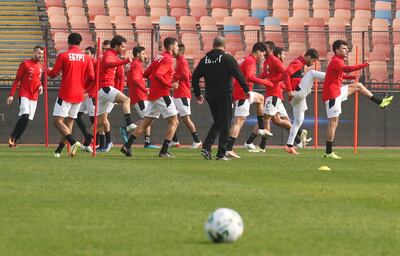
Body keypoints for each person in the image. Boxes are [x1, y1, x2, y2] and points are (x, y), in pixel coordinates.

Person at [323, 40, 393, 159]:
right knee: (333, 123)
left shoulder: (338, 61)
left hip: (337, 92)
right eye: (344, 48)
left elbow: (341, 73)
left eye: (346, 48)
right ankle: (328, 152)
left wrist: (350, 77)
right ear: (337, 50)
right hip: (332, 95)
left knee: (358, 85)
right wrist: (363, 65)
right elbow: (348, 69)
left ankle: (381, 102)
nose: (347, 50)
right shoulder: (336, 61)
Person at [121, 37, 180, 158]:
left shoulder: (159, 57)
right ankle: (164, 151)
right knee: (174, 122)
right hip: (162, 95)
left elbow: (147, 74)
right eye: (177, 46)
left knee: (145, 122)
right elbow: (158, 74)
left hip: (153, 95)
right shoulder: (168, 59)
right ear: (171, 46)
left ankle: (127, 145)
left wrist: (155, 84)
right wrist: (170, 85)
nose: (178, 48)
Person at [192, 36, 249, 161]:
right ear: (224, 46)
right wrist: (246, 89)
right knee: (225, 123)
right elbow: (238, 75)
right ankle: (221, 153)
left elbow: (195, 77)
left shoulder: (205, 59)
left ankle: (206, 147)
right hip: (225, 95)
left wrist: (197, 93)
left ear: (213, 45)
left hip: (211, 96)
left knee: (218, 122)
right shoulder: (227, 58)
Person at [48, 33, 95, 158]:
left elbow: (53, 74)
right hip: (79, 94)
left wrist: (45, 69)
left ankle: (73, 142)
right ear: (80, 43)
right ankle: (58, 151)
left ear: (68, 42)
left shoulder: (64, 55)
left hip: (66, 93)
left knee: (57, 121)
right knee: (69, 122)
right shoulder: (86, 58)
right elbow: (91, 77)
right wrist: (83, 87)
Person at [225, 42, 274, 158]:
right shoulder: (250, 61)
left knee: (261, 99)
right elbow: (249, 77)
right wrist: (266, 82)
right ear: (258, 51)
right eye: (263, 54)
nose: (263, 57)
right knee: (239, 121)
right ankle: (229, 149)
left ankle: (261, 128)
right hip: (243, 93)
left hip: (244, 92)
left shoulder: (247, 60)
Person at [94, 35, 136, 152]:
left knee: (101, 121)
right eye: (122, 46)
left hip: (106, 90)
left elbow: (121, 77)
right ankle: (128, 124)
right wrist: (125, 61)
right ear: (116, 46)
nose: (124, 49)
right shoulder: (109, 55)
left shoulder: (115, 57)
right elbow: (107, 64)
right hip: (106, 88)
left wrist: (119, 92)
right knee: (126, 100)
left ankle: (88, 142)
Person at [284, 49, 326, 154]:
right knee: (311, 73)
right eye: (313, 61)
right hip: (295, 93)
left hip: (296, 97)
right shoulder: (298, 63)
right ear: (309, 57)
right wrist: (289, 90)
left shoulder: (300, 63)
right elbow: (286, 74)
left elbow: (295, 78)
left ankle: (289, 146)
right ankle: (332, 76)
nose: (312, 63)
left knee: (298, 121)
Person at [7, 46, 44, 147]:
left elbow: (38, 80)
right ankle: (12, 136)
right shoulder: (25, 64)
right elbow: (17, 80)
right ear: (33, 53)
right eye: (38, 53)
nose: (40, 55)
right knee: (25, 115)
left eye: (41, 54)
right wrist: (11, 95)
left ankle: (14, 140)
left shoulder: (41, 67)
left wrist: (41, 86)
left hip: (34, 96)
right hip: (24, 94)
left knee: (26, 119)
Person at [124, 46, 158, 149]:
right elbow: (135, 79)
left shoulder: (131, 65)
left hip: (137, 95)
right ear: (138, 54)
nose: (145, 56)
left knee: (148, 118)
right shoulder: (136, 64)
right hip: (139, 96)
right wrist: (145, 89)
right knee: (148, 119)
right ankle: (126, 130)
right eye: (143, 53)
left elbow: (135, 78)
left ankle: (147, 141)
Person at [170, 43, 202, 149]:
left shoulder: (182, 61)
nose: (174, 51)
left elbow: (185, 76)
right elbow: (189, 75)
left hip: (182, 93)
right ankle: (174, 141)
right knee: (170, 115)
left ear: (181, 51)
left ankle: (197, 141)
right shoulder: (180, 61)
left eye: (176, 49)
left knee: (185, 118)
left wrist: (173, 76)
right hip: (177, 94)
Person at [75, 46, 96, 152]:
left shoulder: (94, 63)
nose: (85, 54)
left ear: (93, 55)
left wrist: (89, 92)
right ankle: (87, 138)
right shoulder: (84, 63)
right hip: (84, 94)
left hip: (91, 95)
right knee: (76, 115)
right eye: (85, 52)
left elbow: (94, 79)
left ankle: (95, 143)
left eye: (87, 53)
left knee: (95, 120)